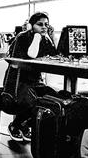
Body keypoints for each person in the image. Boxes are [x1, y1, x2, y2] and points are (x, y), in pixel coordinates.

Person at [4, 12, 57, 142]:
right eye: (40, 24)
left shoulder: (45, 38)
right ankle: (16, 125)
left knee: (51, 98)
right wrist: (37, 37)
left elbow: (54, 55)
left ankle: (24, 125)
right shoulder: (22, 37)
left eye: (46, 25)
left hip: (35, 80)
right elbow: (30, 55)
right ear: (31, 25)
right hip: (18, 79)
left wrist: (51, 37)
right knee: (33, 101)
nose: (44, 27)